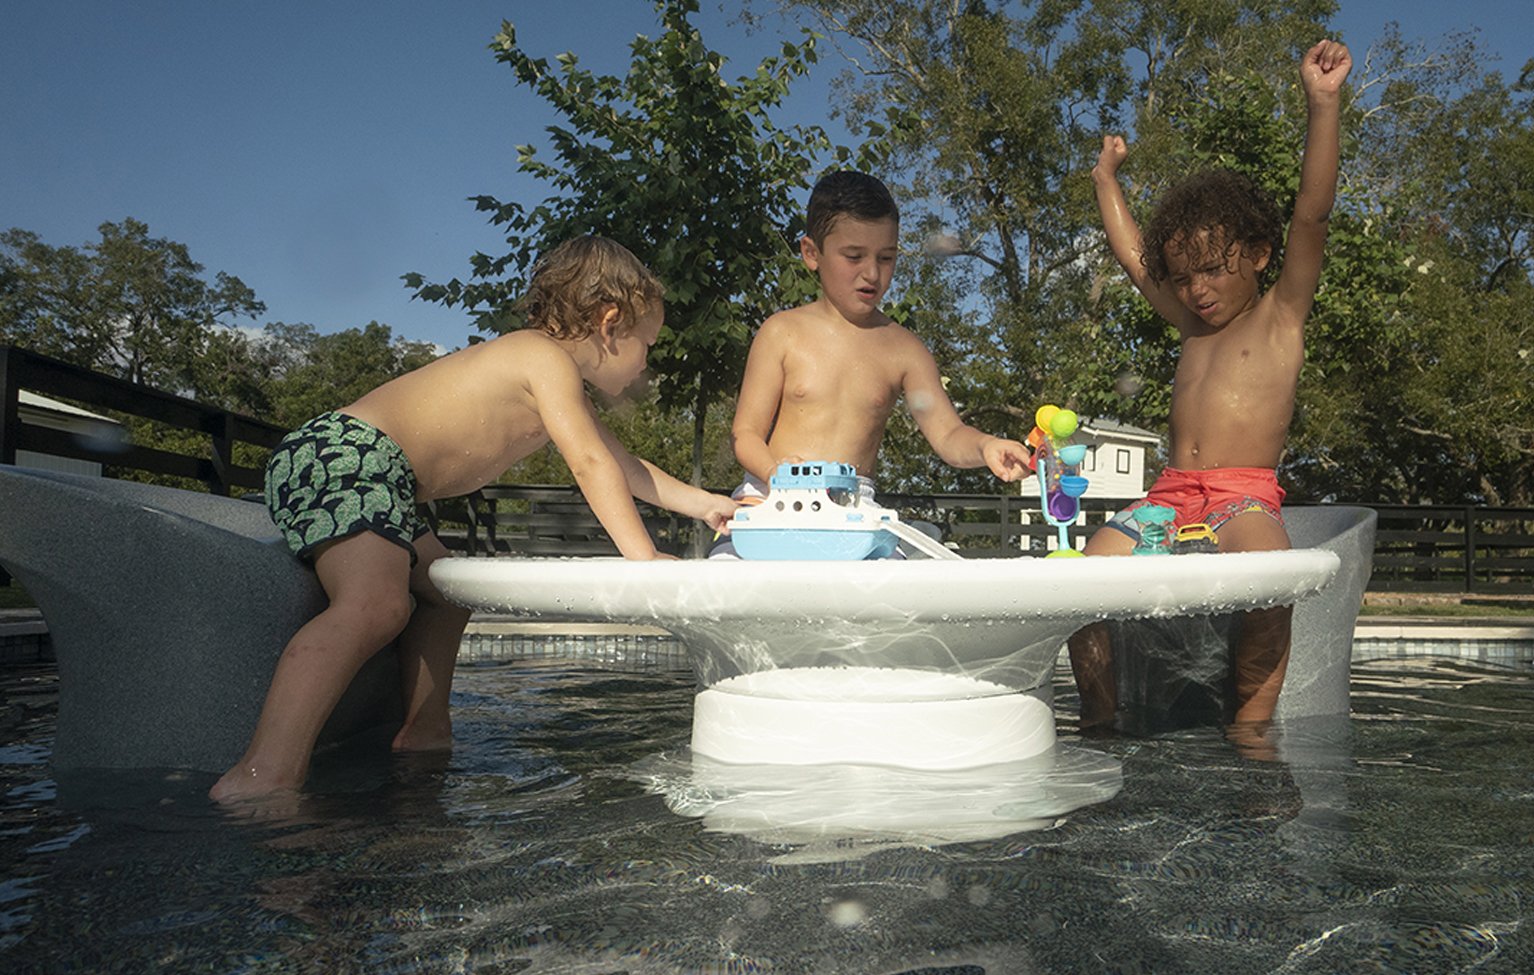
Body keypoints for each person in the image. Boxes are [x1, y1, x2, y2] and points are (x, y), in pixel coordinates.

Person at [211, 236, 737, 803]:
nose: (646, 363)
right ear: (611, 324)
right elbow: (589, 465)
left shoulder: (554, 376)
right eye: (648, 345)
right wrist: (640, 558)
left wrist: (705, 503)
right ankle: (264, 773)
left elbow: (620, 465)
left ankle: (426, 733)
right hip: (345, 456)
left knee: (450, 590)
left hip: (381, 480)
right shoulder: (542, 359)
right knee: (375, 607)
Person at [1072, 40, 1352, 734]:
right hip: (1169, 495)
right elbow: (1136, 261)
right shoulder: (1190, 323)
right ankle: (1099, 721)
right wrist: (1107, 180)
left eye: (1213, 271)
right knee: (1077, 585)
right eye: (1185, 275)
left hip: (1241, 496)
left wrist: (1323, 103)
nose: (1196, 290)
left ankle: (1251, 730)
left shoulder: (1282, 313)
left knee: (1271, 583)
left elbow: (1311, 215)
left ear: (1257, 256)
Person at [721, 170, 1033, 538]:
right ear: (811, 253)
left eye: (886, 257)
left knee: (894, 590)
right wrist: (779, 476)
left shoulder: (905, 350)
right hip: (769, 495)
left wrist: (986, 446)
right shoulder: (782, 333)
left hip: (852, 510)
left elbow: (948, 434)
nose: (872, 273)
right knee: (729, 584)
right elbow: (745, 433)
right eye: (853, 256)